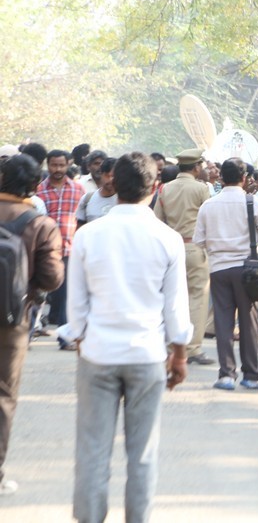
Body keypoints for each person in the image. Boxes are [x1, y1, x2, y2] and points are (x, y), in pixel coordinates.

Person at [60, 152, 192, 522]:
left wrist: (83, 340)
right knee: (143, 454)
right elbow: (175, 307)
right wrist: (179, 353)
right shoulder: (167, 238)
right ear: (155, 188)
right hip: (147, 355)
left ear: (112, 183)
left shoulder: (88, 235)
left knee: (92, 452)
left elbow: (76, 305)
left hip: (98, 354)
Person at [0, 155, 64, 496]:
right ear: (35, 186)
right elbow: (51, 279)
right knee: (3, 396)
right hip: (11, 321)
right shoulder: (41, 224)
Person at [194, 158, 258, 391]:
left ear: (220, 178)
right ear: (245, 178)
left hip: (218, 269)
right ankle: (252, 375)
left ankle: (226, 374)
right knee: (248, 322)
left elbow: (199, 240)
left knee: (222, 321)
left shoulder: (208, 205)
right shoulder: (253, 202)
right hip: (247, 270)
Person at [154, 148, 215, 366]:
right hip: (194, 248)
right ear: (197, 167)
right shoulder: (202, 189)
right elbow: (210, 220)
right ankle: (192, 348)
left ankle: (172, 346)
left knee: (172, 298)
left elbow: (157, 221)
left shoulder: (164, 189)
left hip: (170, 248)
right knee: (197, 298)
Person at [35, 149, 84, 347]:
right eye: (54, 165)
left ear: (67, 165)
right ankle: (29, 331)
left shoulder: (78, 190)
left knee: (67, 296)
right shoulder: (39, 190)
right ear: (48, 165)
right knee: (38, 294)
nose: (57, 169)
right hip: (44, 250)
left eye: (61, 165)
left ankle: (65, 338)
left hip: (69, 249)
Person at [75, 157, 118, 226]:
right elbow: (80, 227)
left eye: (114, 176)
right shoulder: (87, 199)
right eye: (107, 176)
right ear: (101, 174)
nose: (110, 180)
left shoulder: (126, 200)